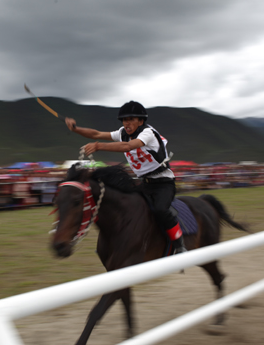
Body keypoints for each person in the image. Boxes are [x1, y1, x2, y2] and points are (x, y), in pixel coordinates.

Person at [65, 100, 188, 254]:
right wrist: (75, 129)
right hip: (144, 183)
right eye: (124, 120)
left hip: (164, 183)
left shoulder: (148, 133)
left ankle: (179, 245)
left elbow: (128, 146)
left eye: (131, 119)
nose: (126, 123)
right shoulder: (122, 133)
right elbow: (96, 134)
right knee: (124, 205)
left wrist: (98, 146)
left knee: (160, 210)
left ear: (141, 121)